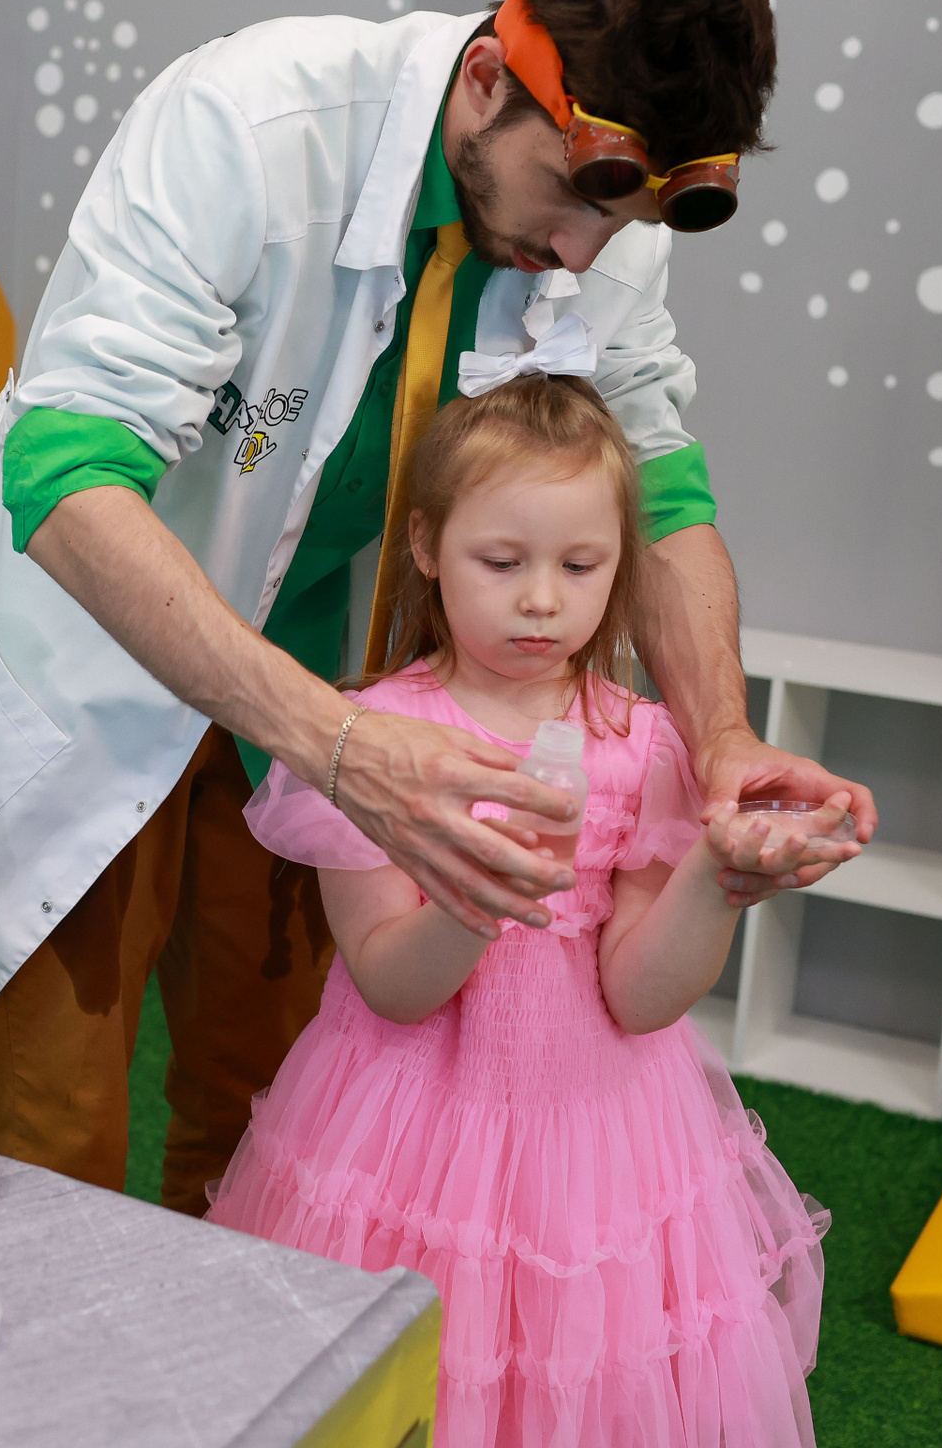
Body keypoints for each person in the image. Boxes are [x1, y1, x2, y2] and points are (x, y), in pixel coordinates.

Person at [0, 0, 877, 1215]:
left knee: (269, 1103)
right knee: (58, 1122)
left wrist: (722, 738)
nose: (583, 254)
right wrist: (335, 747)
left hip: (335, 681)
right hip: (104, 663)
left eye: (620, 222)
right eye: (574, 199)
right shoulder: (245, 124)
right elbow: (63, 475)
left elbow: (662, 489)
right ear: (488, 80)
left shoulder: (614, 218)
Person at [206, 371, 836, 1446]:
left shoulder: (645, 744)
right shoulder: (373, 743)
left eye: (581, 566)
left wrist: (716, 880)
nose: (542, 599)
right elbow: (392, 985)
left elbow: (641, 998)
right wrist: (483, 894)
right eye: (502, 562)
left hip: (604, 1147)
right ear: (426, 545)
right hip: (406, 1139)